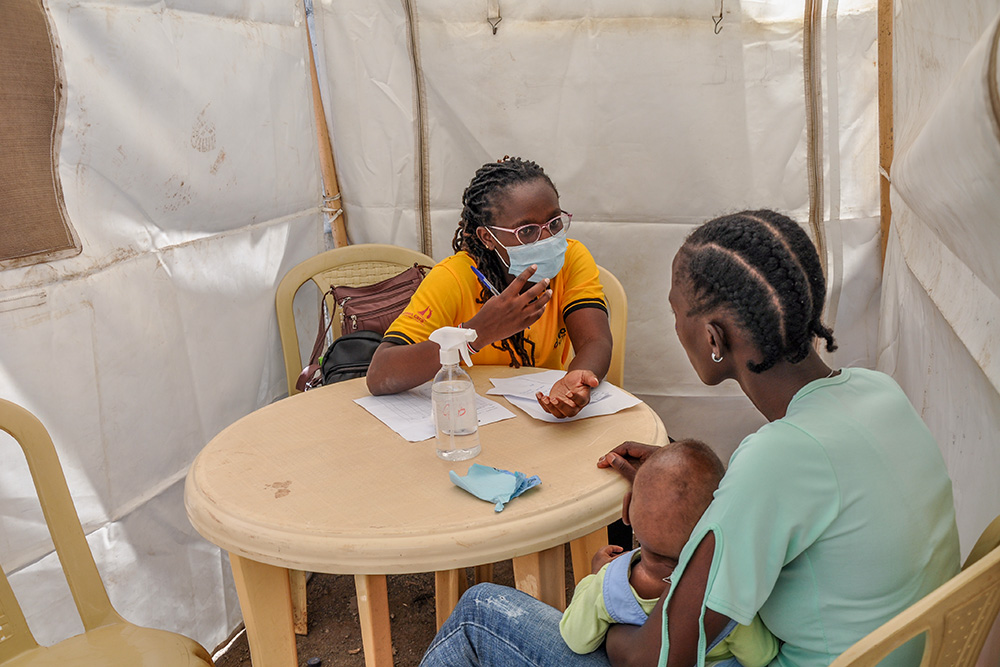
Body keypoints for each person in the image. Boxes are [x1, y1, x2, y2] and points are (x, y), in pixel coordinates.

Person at [419, 209, 960, 667]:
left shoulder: (778, 459)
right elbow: (807, 497)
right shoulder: (877, 392)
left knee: (478, 614)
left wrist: (615, 592)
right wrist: (685, 485)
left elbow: (654, 656)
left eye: (676, 312)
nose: (676, 326)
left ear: (713, 337)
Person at [366, 157, 613, 419]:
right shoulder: (453, 277)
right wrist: (476, 335)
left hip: (541, 416)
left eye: (554, 223)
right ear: (488, 237)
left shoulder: (571, 258)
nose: (547, 238)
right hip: (469, 420)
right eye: (527, 231)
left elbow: (594, 340)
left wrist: (578, 379)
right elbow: (381, 374)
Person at [560, 440, 778, 667]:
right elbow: (761, 656)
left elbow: (575, 639)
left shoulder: (608, 584)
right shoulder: (725, 595)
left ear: (625, 510)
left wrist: (593, 578)